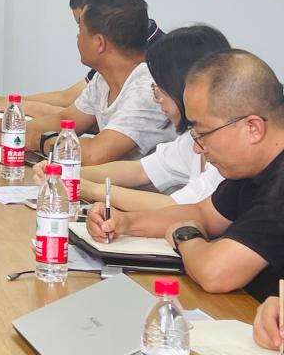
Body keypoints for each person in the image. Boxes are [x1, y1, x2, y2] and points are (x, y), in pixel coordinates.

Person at [87, 50, 284, 300]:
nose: (197, 148)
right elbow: (203, 214)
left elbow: (215, 273)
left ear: (253, 128)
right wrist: (124, 222)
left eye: (202, 133)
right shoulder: (252, 168)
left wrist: (186, 235)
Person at [32, 25, 229, 209]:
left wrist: (88, 189)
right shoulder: (190, 140)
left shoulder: (226, 148)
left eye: (160, 87)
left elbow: (180, 208)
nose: (156, 98)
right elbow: (139, 170)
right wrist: (65, 173)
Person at [0, 0, 175, 164]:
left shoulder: (147, 89)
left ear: (99, 43)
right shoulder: (102, 80)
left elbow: (92, 154)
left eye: (80, 30)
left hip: (134, 194)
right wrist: (9, 128)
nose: (77, 37)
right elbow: (65, 120)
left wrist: (35, 140)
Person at [0, 0, 164, 117]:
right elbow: (70, 98)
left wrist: (19, 106)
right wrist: (10, 101)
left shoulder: (154, 64)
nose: (79, 35)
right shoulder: (102, 79)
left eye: (82, 25)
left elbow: (93, 127)